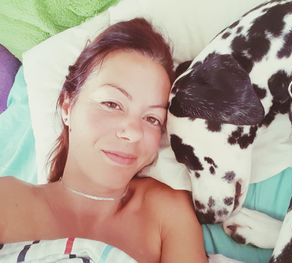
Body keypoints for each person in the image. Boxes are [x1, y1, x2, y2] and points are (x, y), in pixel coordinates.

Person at [0, 18, 208, 263]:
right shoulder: (8, 199)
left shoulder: (166, 211)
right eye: (112, 104)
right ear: (67, 106)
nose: (133, 132)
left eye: (152, 118)